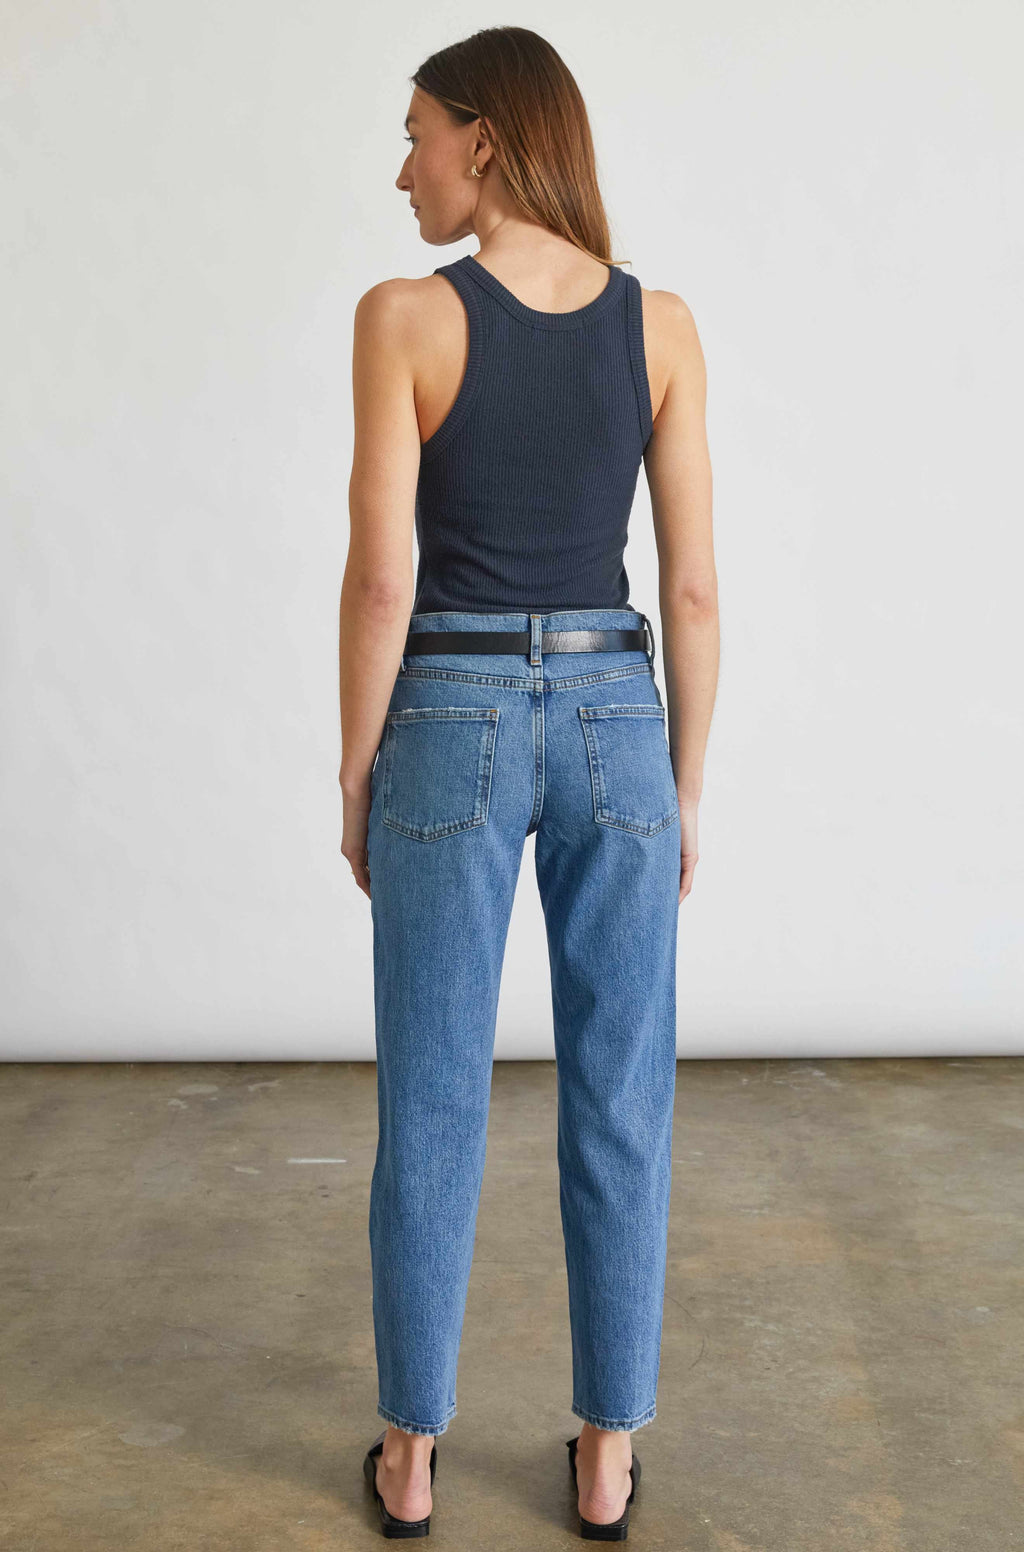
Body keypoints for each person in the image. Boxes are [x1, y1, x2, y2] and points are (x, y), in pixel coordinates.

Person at [339, 26, 718, 1540]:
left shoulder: (405, 319)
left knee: (432, 1095)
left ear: (485, 140)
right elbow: (689, 591)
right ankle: (606, 1455)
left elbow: (382, 579)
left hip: (452, 707)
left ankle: (415, 1460)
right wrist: (682, 780)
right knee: (623, 1095)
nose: (404, 163)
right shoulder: (664, 326)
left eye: (417, 131)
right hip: (622, 718)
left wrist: (359, 768)